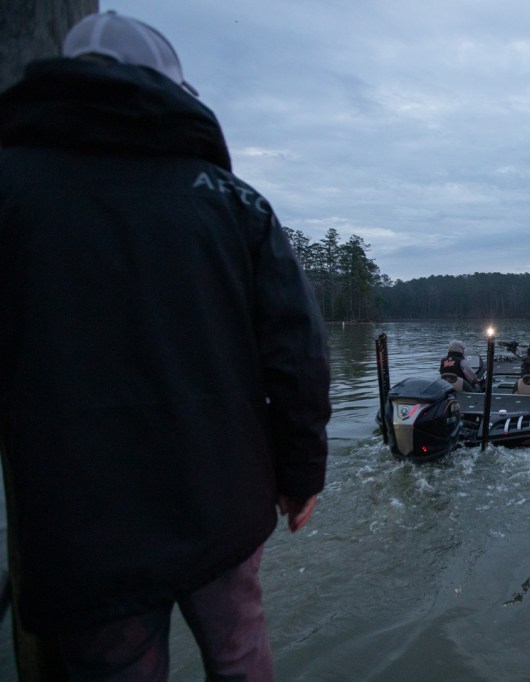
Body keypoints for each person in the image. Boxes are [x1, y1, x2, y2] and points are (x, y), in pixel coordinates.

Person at [0, 11, 331, 680]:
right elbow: (299, 358)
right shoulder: (233, 202)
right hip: (223, 501)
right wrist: (301, 477)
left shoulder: (11, 186)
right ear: (173, 91)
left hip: (81, 521)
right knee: (240, 653)